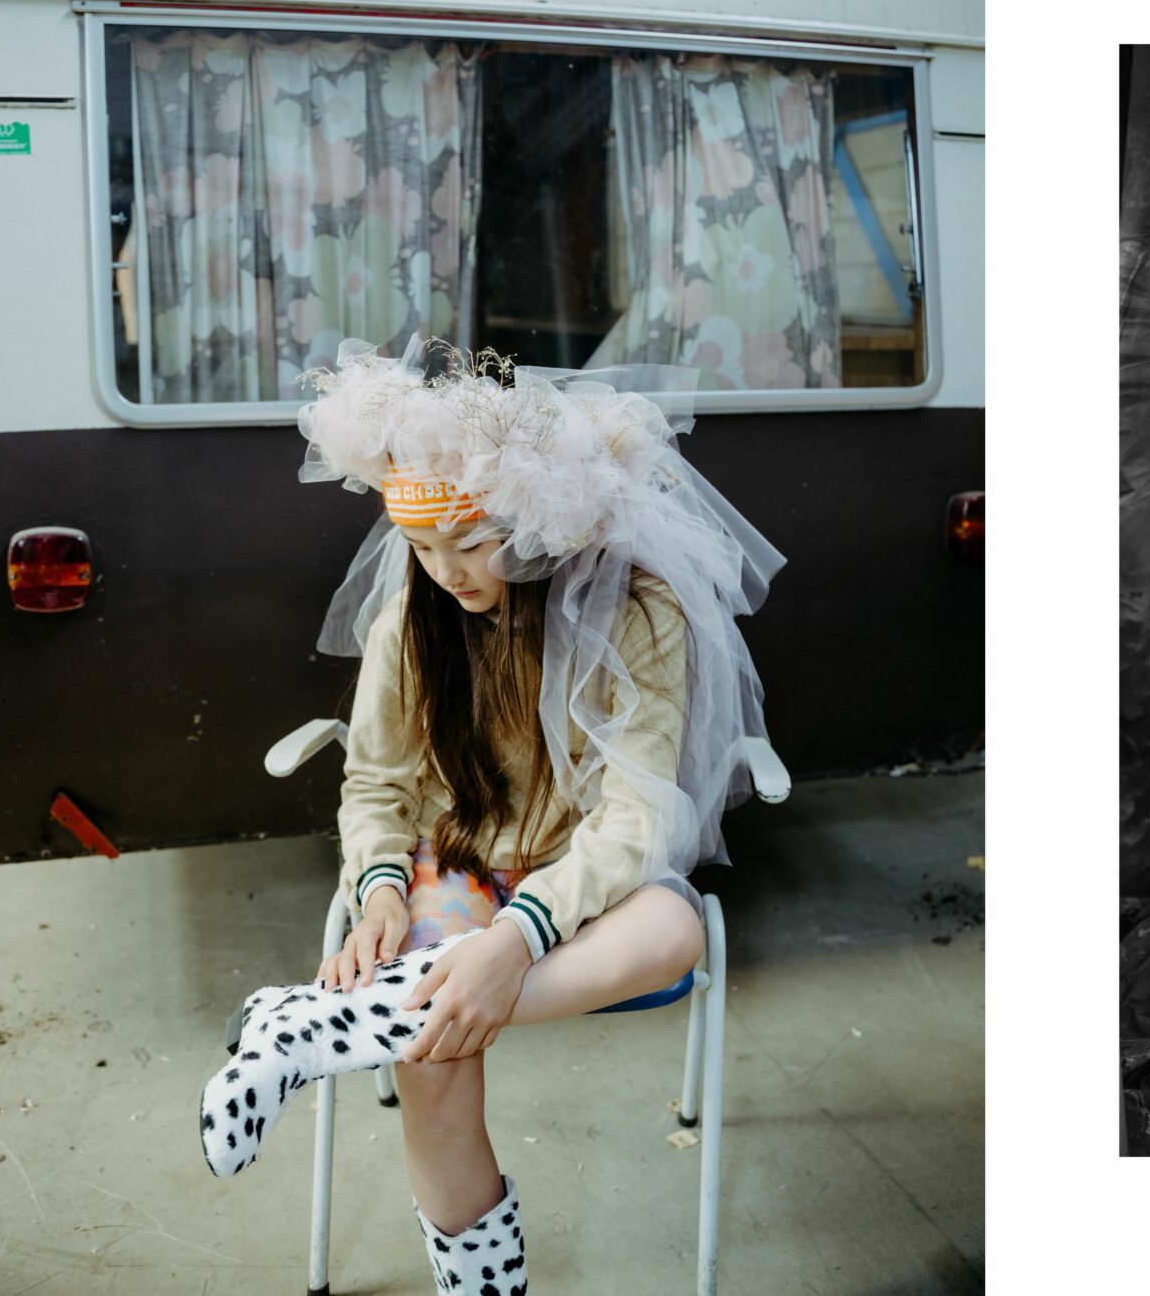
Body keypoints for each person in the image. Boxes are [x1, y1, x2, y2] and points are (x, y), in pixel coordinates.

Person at [198, 336, 784, 1294]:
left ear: (537, 518)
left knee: (677, 924)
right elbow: (377, 784)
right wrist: (382, 881)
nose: (447, 571)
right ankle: (477, 1279)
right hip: (460, 862)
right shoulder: (412, 623)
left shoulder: (638, 615)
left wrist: (519, 938)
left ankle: (343, 1023)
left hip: (582, 884)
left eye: (471, 541)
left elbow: (638, 818)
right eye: (422, 547)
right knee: (438, 1056)